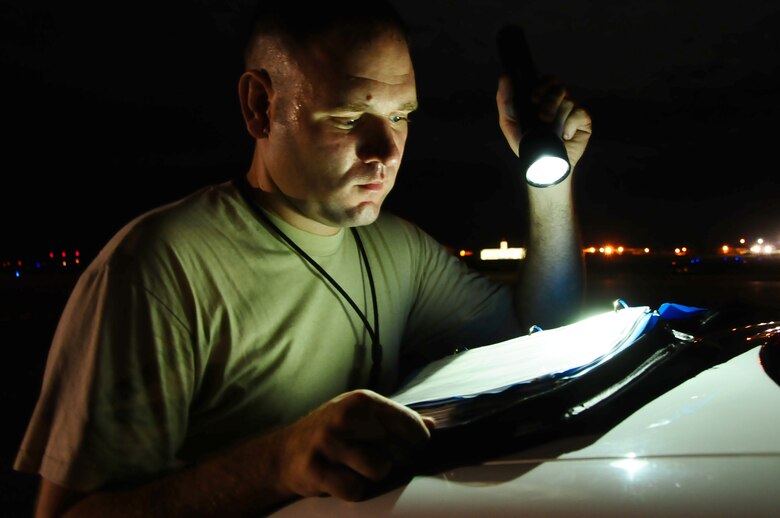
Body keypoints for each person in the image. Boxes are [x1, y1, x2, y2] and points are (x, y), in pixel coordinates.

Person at [15, 1, 592, 516]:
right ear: (260, 106)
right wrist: (277, 464)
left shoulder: (397, 248)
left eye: (401, 116)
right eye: (348, 118)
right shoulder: (159, 270)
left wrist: (550, 180)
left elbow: (540, 328)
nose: (386, 152)